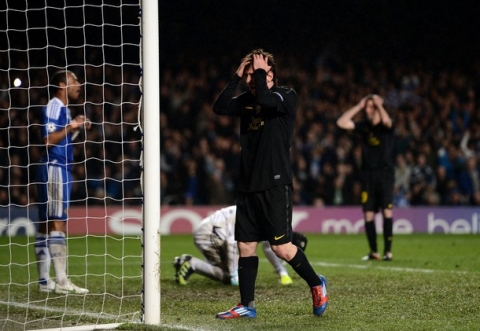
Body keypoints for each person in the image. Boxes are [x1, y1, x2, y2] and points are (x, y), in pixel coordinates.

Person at [211, 49, 328, 319]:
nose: (252, 78)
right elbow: (219, 108)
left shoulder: (286, 96)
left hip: (275, 185)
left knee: (281, 248)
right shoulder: (247, 99)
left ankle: (316, 283)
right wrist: (236, 77)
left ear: (270, 73)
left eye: (257, 73)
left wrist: (259, 74)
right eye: (250, 74)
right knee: (246, 246)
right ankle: (246, 305)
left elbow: (265, 98)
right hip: (248, 185)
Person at [34, 70, 91, 294]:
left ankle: (44, 282)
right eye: (74, 80)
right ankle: (62, 282)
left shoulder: (64, 110)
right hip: (55, 168)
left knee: (46, 225)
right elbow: (48, 140)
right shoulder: (54, 106)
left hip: (55, 168)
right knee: (58, 223)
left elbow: (61, 138)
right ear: (61, 84)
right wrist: (72, 126)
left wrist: (75, 127)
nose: (79, 84)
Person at [173, 205, 309, 286]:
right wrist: (234, 276)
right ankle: (191, 264)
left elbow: (268, 247)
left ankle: (183, 261)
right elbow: (232, 243)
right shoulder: (262, 223)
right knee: (227, 275)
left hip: (214, 230)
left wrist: (282, 272)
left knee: (233, 267)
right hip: (209, 233)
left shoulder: (265, 218)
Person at [336, 94, 395, 261]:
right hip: (368, 174)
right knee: (368, 213)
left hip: (385, 174)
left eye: (371, 107)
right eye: (367, 107)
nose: (368, 110)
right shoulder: (363, 125)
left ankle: (388, 252)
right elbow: (341, 122)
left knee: (387, 211)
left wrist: (380, 105)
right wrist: (358, 106)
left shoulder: (386, 125)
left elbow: (387, 122)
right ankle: (374, 252)